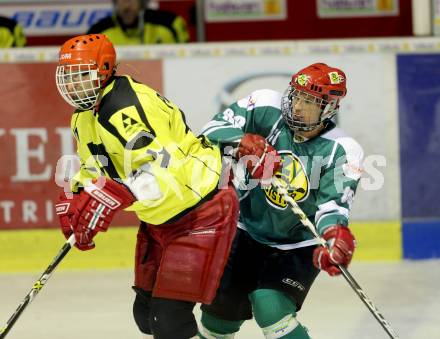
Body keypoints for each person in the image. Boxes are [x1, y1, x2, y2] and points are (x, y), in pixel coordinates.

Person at [53, 34, 239, 339]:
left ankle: (228, 284)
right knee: (145, 317)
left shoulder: (126, 108)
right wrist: (76, 195)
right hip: (160, 217)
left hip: (199, 208)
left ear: (104, 69)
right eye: (68, 77)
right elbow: (94, 166)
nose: (74, 85)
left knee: (168, 322)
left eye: (82, 75)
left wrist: (118, 194)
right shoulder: (83, 116)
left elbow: (165, 170)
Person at [199, 63, 364, 338]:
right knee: (217, 315)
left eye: (309, 102)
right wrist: (241, 141)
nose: (298, 106)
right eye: (296, 96)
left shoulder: (343, 150)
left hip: (297, 243)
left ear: (329, 108)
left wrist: (335, 235)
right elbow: (210, 130)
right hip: (246, 229)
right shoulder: (265, 105)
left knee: (271, 307)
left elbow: (332, 206)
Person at [87, 0, 189, 45]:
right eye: (122, 0)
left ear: (142, 2)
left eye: (131, 0)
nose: (126, 6)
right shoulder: (98, 32)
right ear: (115, 2)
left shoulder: (170, 24)